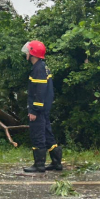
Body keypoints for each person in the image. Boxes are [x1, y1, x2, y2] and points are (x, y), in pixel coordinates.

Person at [21, 40, 62, 173]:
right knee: (47, 134)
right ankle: (56, 163)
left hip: (39, 110)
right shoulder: (42, 67)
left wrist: (34, 110)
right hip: (44, 109)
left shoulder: (38, 69)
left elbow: (39, 92)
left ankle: (39, 165)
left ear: (32, 53)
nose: (26, 53)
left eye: (28, 51)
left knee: (37, 135)